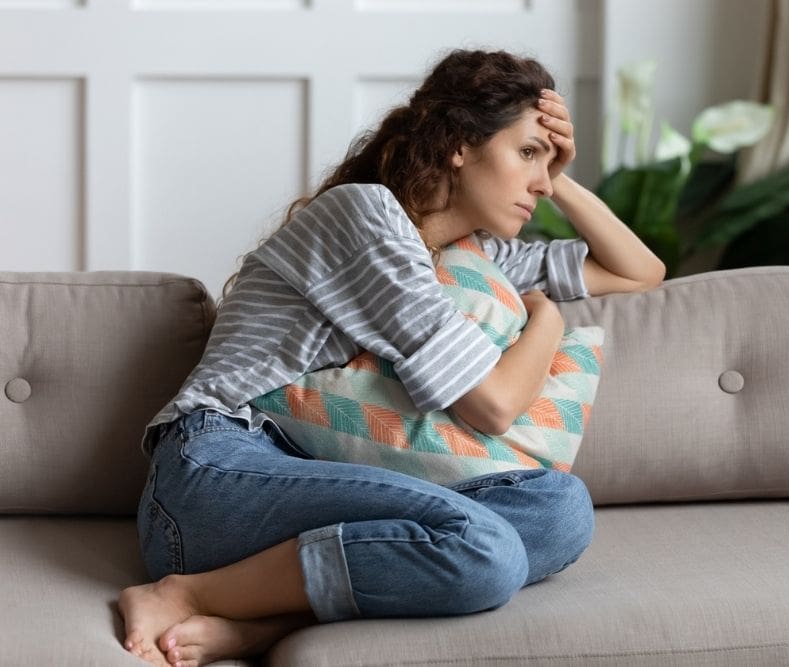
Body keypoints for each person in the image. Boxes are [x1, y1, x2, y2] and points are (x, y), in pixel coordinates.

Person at [118, 48, 665, 667]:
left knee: (559, 510)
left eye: (546, 162)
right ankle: (184, 593)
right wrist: (549, 319)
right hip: (217, 473)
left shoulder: (471, 255)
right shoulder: (367, 216)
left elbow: (640, 272)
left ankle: (266, 622)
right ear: (459, 145)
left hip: (315, 479)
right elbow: (493, 406)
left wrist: (559, 175)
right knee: (486, 550)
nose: (539, 182)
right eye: (527, 153)